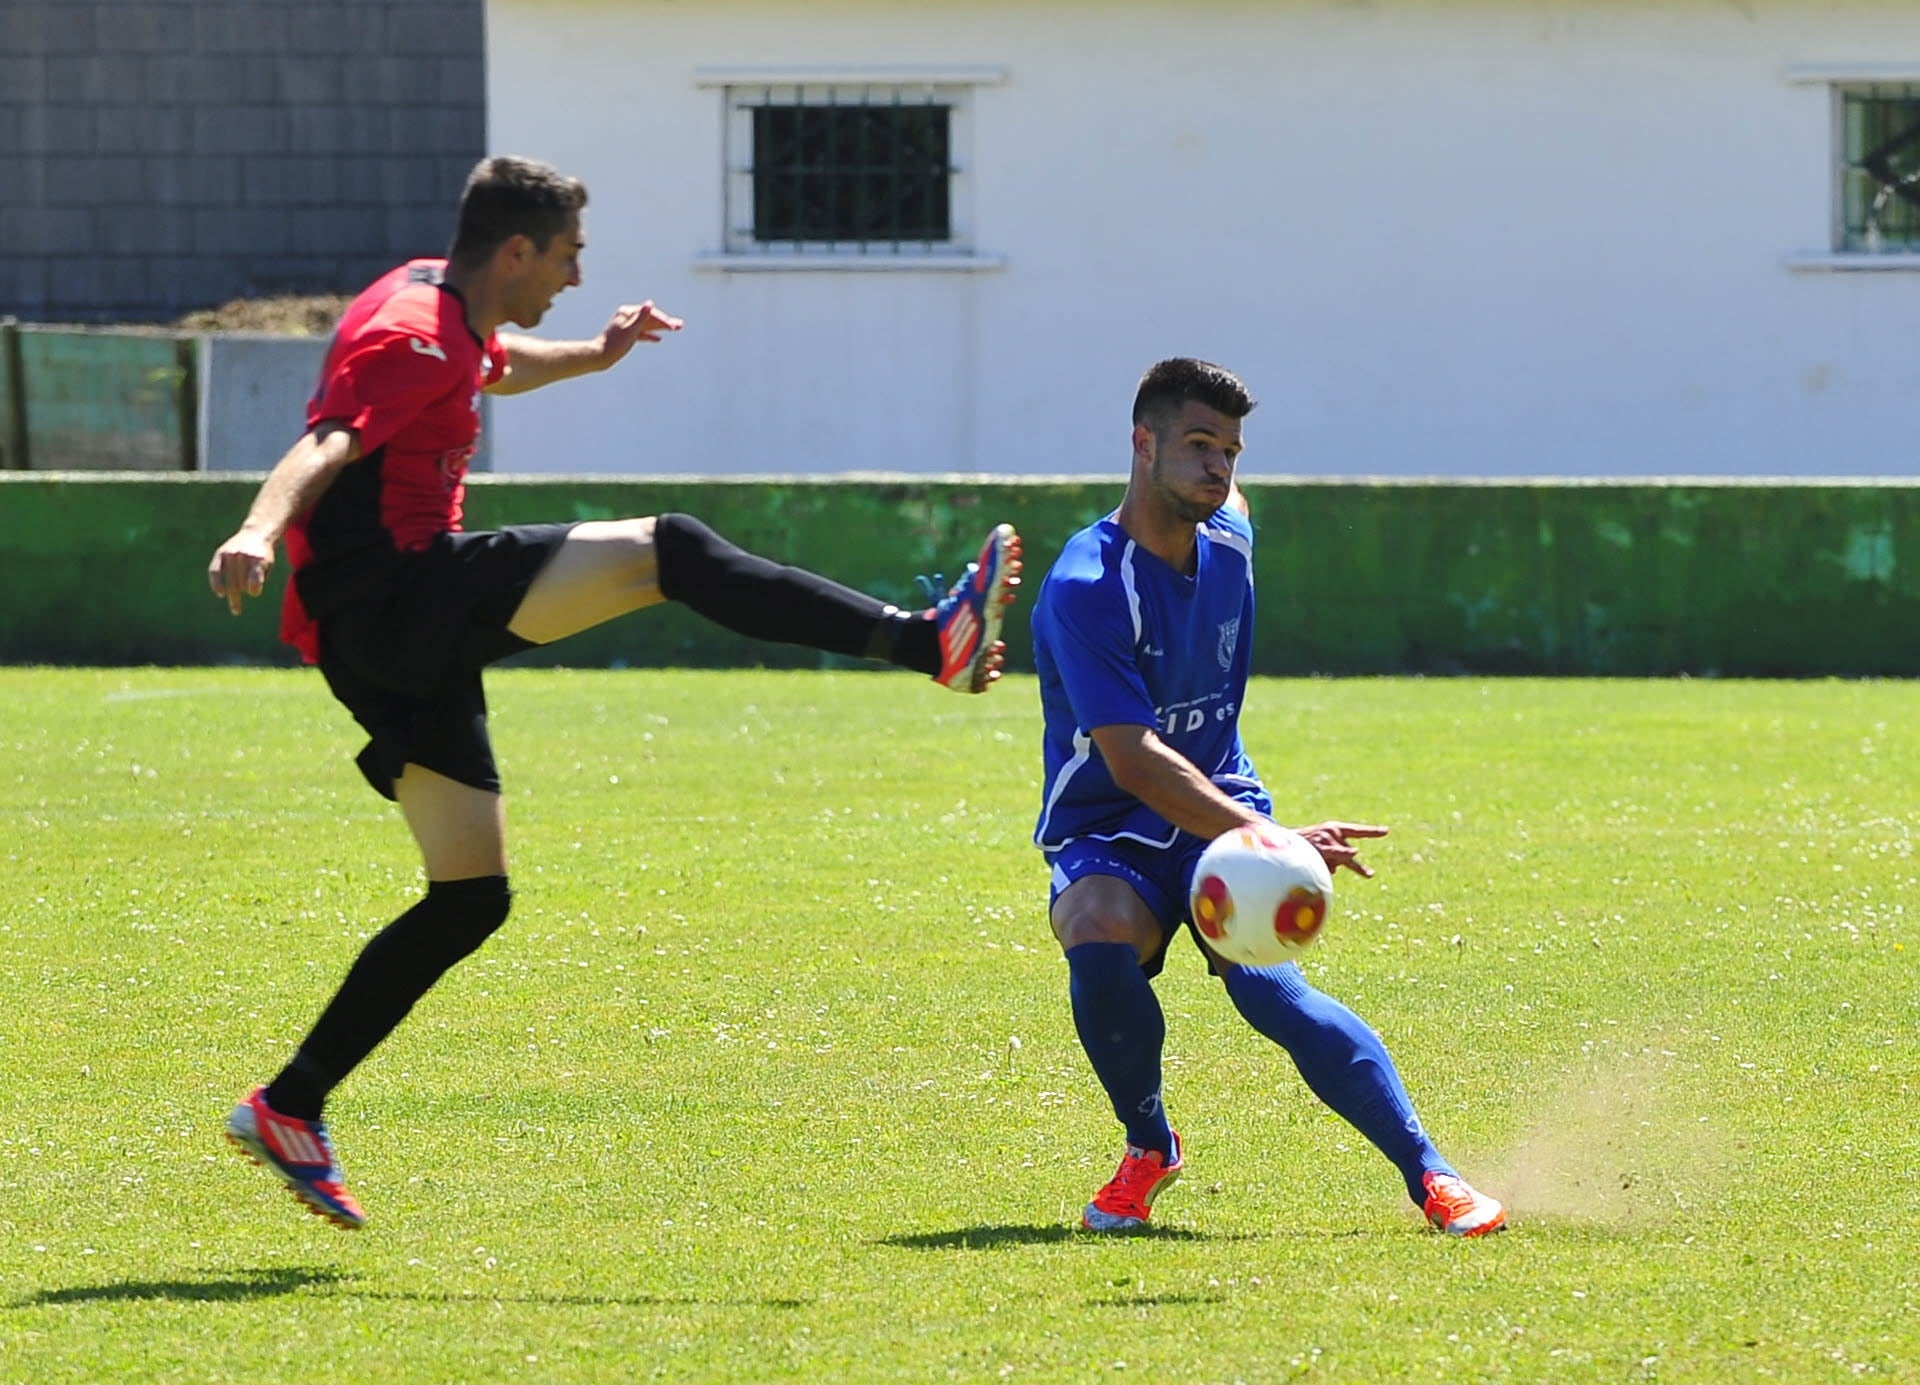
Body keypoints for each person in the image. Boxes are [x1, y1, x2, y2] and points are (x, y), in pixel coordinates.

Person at [206, 154, 1023, 1229]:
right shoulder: (406, 330)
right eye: (569, 256)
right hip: (396, 596)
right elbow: (329, 440)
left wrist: (595, 355)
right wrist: (257, 527)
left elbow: (487, 364)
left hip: (388, 634)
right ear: (517, 249)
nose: (576, 276)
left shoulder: (442, 304)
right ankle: (926, 643)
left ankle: (290, 1103)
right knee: (668, 548)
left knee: (470, 894)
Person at [1029, 357, 1504, 1237]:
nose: (1220, 468)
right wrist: (1272, 838)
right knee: (1095, 926)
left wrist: (1250, 829)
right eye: (1199, 444)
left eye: (1232, 451)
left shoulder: (1232, 534)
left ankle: (1431, 1173)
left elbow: (1231, 516)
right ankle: (1148, 1144)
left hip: (1214, 798)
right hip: (1112, 822)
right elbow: (1133, 762)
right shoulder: (1088, 588)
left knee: (1266, 988)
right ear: (1143, 444)